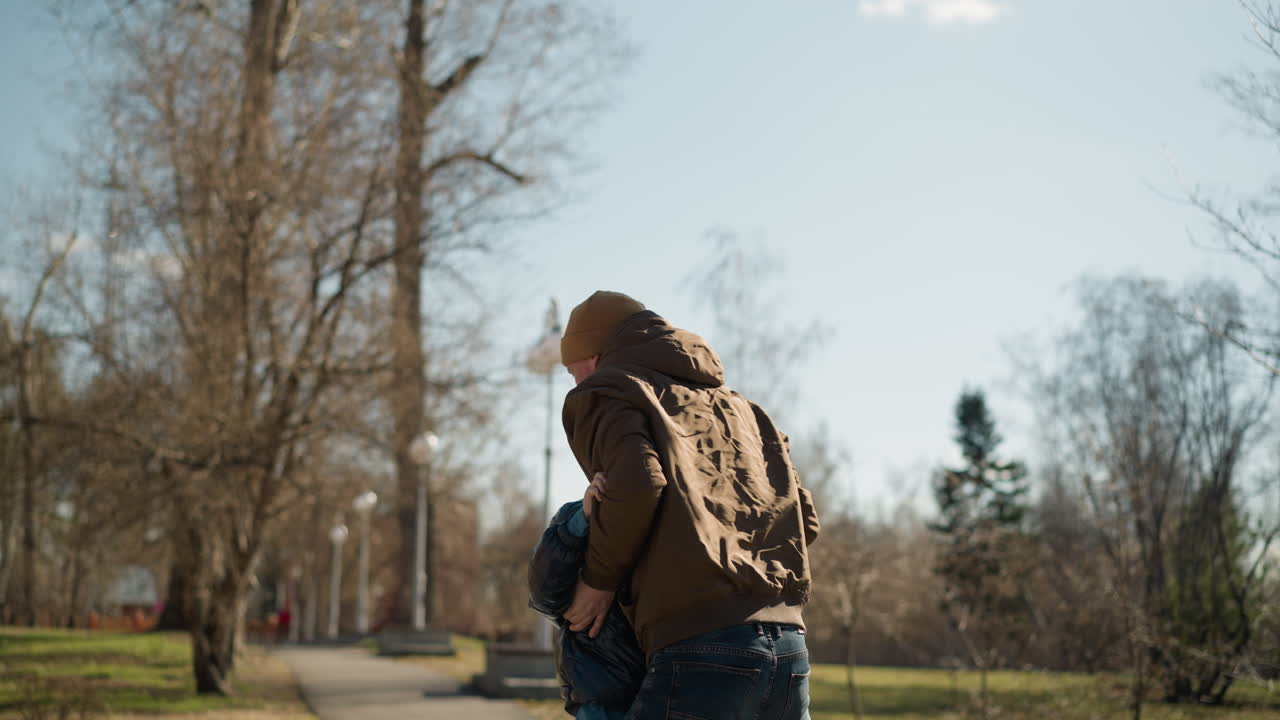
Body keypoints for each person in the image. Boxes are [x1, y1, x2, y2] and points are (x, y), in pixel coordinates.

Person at [558, 290, 821, 720]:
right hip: (789, 650)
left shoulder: (611, 391)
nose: (575, 383)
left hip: (701, 650)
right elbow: (803, 515)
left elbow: (638, 484)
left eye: (573, 371)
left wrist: (598, 583)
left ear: (596, 353)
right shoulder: (745, 410)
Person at [529, 491, 645, 720]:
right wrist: (581, 519)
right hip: (600, 686)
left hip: (663, 680)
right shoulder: (575, 515)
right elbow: (543, 592)